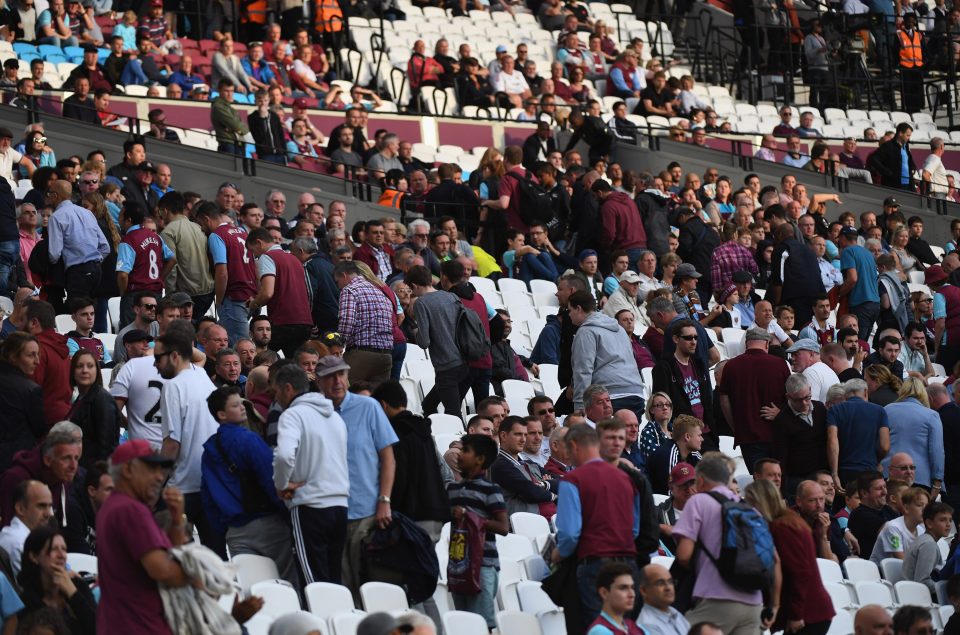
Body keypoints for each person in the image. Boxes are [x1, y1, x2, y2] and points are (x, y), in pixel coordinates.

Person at [201, 386, 298, 586]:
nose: (243, 407)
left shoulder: (209, 450)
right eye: (236, 405)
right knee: (286, 582)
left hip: (235, 530)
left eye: (242, 402)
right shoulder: (248, 439)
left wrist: (220, 533)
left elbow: (208, 497)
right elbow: (270, 479)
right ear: (221, 414)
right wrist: (286, 513)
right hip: (267, 524)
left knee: (253, 587)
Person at [673, 453, 777, 635]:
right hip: (754, 604)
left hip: (715, 599)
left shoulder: (699, 501)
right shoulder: (750, 509)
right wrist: (774, 605)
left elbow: (683, 555)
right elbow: (774, 561)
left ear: (701, 480)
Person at [554, 424, 640, 626]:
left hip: (595, 563)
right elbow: (634, 528)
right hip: (628, 561)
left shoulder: (572, 480)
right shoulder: (626, 478)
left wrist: (560, 553)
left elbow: (570, 533)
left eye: (567, 450)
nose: (568, 456)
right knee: (624, 626)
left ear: (574, 445)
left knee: (599, 626)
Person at [272, 362, 349, 584]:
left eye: (276, 391)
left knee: (314, 581)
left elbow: (285, 455)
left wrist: (281, 485)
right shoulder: (334, 415)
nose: (276, 398)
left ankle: (323, 619)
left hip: (310, 504)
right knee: (334, 577)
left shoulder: (292, 415)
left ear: (287, 388)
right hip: (340, 503)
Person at [154, 328, 222, 556]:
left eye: (157, 358)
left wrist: (157, 483)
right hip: (209, 483)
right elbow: (199, 357)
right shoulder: (201, 376)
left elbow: (172, 443)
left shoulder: (173, 386)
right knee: (215, 556)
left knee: (167, 553)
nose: (154, 365)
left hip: (182, 487)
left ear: (174, 356)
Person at [744, 479, 835, 635]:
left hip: (807, 613)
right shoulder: (791, 522)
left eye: (750, 502)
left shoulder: (781, 527)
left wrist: (795, 615)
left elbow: (799, 572)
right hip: (811, 611)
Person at [447, 433, 508, 629]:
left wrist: (470, 517)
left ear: (480, 459)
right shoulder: (453, 489)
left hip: (483, 565)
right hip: (459, 564)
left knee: (481, 624)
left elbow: (503, 527)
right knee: (464, 624)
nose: (459, 455)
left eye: (466, 451)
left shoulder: (491, 490)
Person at [717, 328, 790, 471]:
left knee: (759, 479)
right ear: (767, 344)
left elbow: (724, 400)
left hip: (747, 437)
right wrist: (781, 414)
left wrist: (737, 427)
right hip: (776, 433)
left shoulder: (731, 366)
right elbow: (792, 395)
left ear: (746, 344)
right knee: (777, 479)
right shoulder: (780, 364)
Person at [405, 264, 469, 416]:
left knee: (453, 412)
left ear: (414, 286)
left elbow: (424, 342)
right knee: (428, 405)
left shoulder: (421, 303)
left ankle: (459, 438)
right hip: (464, 360)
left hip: (446, 364)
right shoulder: (451, 296)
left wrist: (416, 331)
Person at [569, 290, 646, 415]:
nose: (569, 315)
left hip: (610, 396)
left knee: (608, 434)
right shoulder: (619, 329)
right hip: (636, 393)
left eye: (570, 310)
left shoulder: (586, 331)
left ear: (578, 308)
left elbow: (583, 370)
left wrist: (579, 404)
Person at [17, 524, 96, 634]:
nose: (61, 555)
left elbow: (98, 629)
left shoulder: (78, 586)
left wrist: (73, 594)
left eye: (64, 549)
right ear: (34, 556)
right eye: (54, 549)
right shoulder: (27, 600)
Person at [244, 228, 312, 357]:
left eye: (253, 251)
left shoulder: (267, 257)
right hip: (305, 322)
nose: (255, 256)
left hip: (283, 321)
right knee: (295, 366)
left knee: (262, 358)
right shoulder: (295, 259)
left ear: (259, 242)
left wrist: (254, 303)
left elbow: (267, 293)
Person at [45, 180, 109, 302]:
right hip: (96, 271)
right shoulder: (87, 213)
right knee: (89, 313)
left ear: (55, 195)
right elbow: (105, 247)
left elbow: (54, 254)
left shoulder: (56, 217)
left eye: (50, 193)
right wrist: (92, 260)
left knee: (78, 313)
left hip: (77, 272)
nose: (48, 196)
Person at [334, 261, 395, 384]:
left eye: (337, 281)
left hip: (361, 353)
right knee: (378, 399)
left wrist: (338, 345)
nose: (338, 286)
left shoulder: (349, 290)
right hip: (386, 355)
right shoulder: (379, 291)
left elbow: (347, 321)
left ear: (344, 275)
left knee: (344, 390)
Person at [770, 374, 829, 495]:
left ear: (810, 390)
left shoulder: (820, 408)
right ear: (788, 397)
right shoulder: (782, 421)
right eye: (798, 400)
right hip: (799, 479)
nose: (804, 403)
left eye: (807, 397)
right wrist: (782, 491)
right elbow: (780, 457)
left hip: (823, 474)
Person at [827, 379, 891, 489]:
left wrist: (834, 473)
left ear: (846, 394)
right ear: (865, 392)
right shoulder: (879, 411)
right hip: (869, 469)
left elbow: (832, 441)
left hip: (844, 471)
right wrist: (877, 461)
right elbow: (884, 446)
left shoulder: (835, 410)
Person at [884, 379, 944, 492]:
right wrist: (937, 481)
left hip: (889, 474)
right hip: (919, 477)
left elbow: (880, 443)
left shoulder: (887, 409)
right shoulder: (932, 415)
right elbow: (937, 451)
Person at [491, 416, 556, 517]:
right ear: (503, 436)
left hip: (548, 520)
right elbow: (531, 492)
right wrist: (554, 494)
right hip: (524, 526)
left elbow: (563, 481)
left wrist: (545, 485)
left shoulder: (529, 464)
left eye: (525, 435)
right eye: (518, 434)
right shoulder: (499, 465)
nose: (523, 440)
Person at [0, 333, 46, 472]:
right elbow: (39, 430)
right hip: (16, 461)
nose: (37, 361)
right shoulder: (30, 390)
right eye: (31, 355)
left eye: (37, 354)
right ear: (14, 357)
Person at [67, 350, 120, 468]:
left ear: (97, 370)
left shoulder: (102, 399)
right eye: (79, 366)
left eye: (90, 366)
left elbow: (106, 446)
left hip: (95, 472)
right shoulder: (80, 398)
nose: (85, 370)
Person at [24, 301, 72, 428]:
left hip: (43, 424)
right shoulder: (62, 346)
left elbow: (32, 391)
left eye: (22, 319)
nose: (18, 325)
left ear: (34, 323)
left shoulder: (37, 349)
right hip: (64, 418)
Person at [0, 480, 53, 577]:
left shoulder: (31, 537)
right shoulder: (18, 542)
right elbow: (37, 588)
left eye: (50, 506)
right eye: (41, 506)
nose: (48, 513)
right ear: (20, 509)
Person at [903, 502, 953, 596]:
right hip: (916, 597)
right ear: (929, 523)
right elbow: (922, 582)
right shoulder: (929, 545)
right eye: (943, 520)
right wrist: (947, 591)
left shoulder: (925, 539)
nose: (948, 524)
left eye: (950, 520)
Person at [870, 486, 928, 566]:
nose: (925, 510)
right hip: (881, 575)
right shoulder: (893, 527)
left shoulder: (921, 531)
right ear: (906, 508)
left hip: (904, 575)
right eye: (919, 505)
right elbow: (901, 560)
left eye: (926, 506)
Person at [848, 471, 899, 560]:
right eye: (879, 488)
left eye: (885, 487)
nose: (885, 492)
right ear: (864, 493)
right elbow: (893, 534)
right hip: (872, 569)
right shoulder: (860, 515)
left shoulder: (887, 510)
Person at [587, 561, 645, 635]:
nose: (632, 594)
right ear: (604, 593)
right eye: (623, 588)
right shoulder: (600, 631)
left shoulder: (638, 628)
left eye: (632, 587)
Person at [211, 79, 249, 155]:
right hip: (228, 144)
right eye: (226, 91)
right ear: (219, 91)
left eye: (232, 91)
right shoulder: (218, 106)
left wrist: (237, 128)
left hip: (239, 143)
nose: (230, 94)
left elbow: (243, 127)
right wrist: (239, 128)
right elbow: (235, 125)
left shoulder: (231, 105)